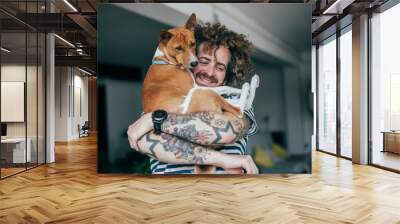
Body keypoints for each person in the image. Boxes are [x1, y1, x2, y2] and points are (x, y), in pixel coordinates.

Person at [127, 22, 259, 174]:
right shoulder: (159, 101)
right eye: (204, 61)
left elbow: (225, 132)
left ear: (227, 75)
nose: (210, 72)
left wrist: (155, 122)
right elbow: (143, 142)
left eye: (220, 67)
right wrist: (223, 160)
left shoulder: (236, 101)